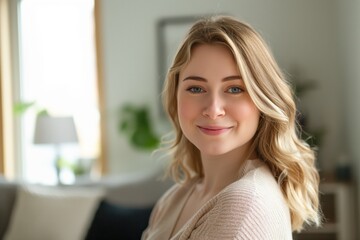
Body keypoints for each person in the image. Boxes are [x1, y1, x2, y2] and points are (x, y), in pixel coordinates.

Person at [142, 15, 321, 240]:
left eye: (235, 89)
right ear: (175, 97)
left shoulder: (245, 205)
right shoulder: (174, 199)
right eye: (196, 89)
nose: (213, 109)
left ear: (262, 100)